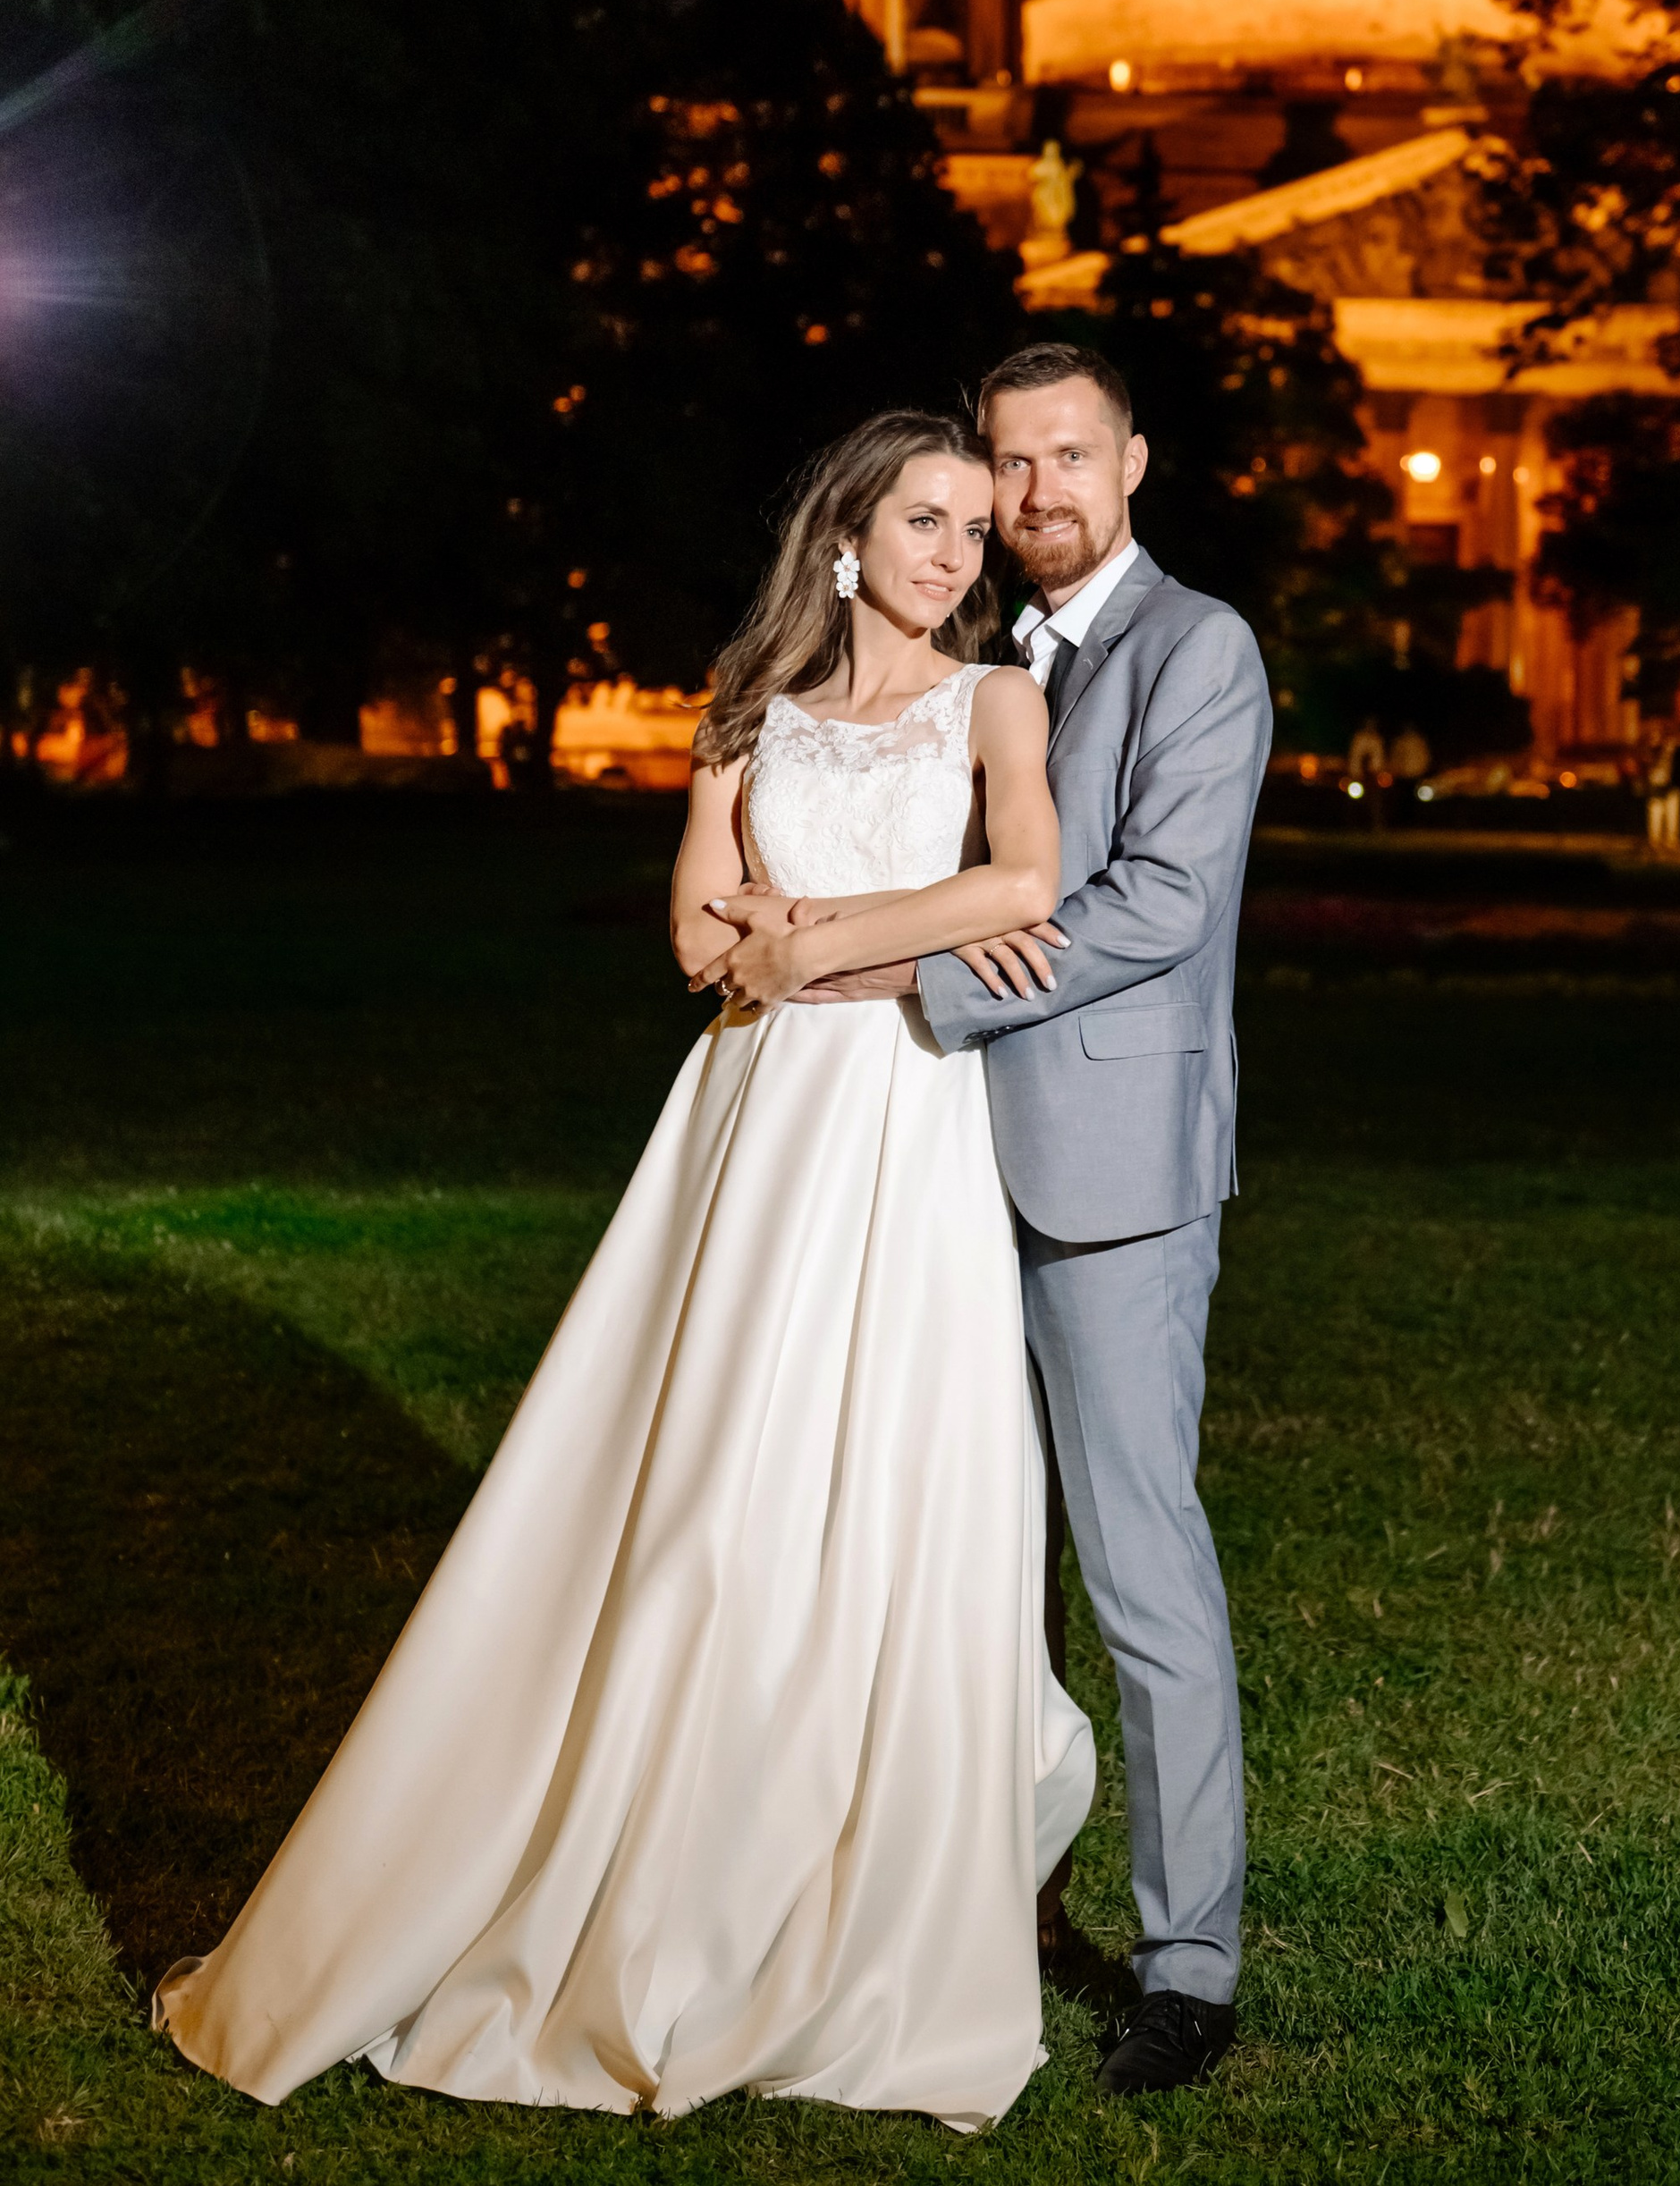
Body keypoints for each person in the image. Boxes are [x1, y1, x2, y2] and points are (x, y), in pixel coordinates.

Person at [155, 412, 1094, 2131]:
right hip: (751, 1117)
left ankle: (847, 1874)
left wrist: (819, 934)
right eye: (924, 520)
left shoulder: (998, 705)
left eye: (976, 525)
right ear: (844, 538)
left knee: (888, 1463)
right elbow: (692, 931)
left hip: (903, 1114)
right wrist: (861, 926)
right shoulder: (749, 704)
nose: (959, 552)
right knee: (698, 1477)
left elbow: (1026, 875)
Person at [791, 342, 1272, 2097]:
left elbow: (1152, 903)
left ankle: (1186, 1957)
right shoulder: (977, 665)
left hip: (1109, 1177)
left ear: (1131, 462)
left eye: (1069, 454)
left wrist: (921, 989)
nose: (1037, 490)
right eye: (1011, 462)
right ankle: (925, 1900)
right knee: (938, 1554)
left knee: (1137, 1572)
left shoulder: (1196, 649)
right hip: (923, 1167)